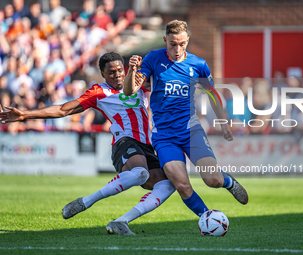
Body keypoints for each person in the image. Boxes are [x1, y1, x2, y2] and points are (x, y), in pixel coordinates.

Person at [0, 51, 175, 235]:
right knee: (140, 173)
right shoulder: (99, 92)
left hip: (146, 146)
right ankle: (86, 201)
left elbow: (161, 79)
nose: (117, 75)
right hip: (124, 142)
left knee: (167, 185)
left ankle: (121, 221)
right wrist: (25, 114)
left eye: (119, 71)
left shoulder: (137, 83)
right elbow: (62, 109)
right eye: (111, 73)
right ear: (103, 74)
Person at [124, 20, 248, 218]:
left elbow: (213, 94)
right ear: (165, 40)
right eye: (173, 44)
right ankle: (208, 218)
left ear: (187, 41)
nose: (177, 49)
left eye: (182, 44)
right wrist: (131, 71)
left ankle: (228, 181)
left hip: (191, 130)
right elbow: (130, 90)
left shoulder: (198, 64)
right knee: (182, 185)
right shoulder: (153, 59)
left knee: (212, 180)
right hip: (164, 136)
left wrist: (223, 123)